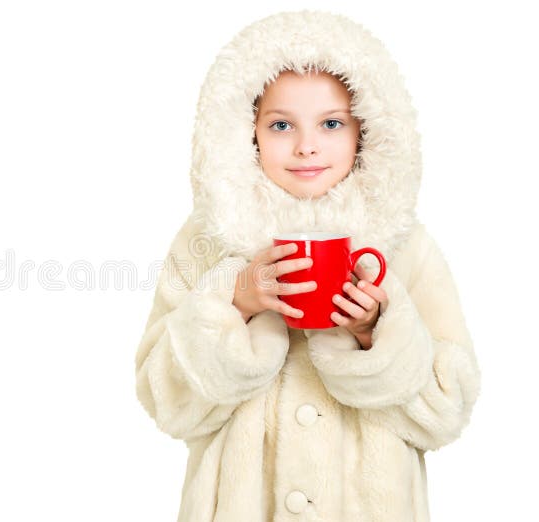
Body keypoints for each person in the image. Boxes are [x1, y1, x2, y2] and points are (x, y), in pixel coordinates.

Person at [134, 9, 481, 522]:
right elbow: (166, 402)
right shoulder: (207, 242)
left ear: (368, 129)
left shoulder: (404, 248)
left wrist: (375, 334)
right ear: (246, 130)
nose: (306, 145)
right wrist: (234, 304)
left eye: (332, 123)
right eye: (280, 125)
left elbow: (445, 412)